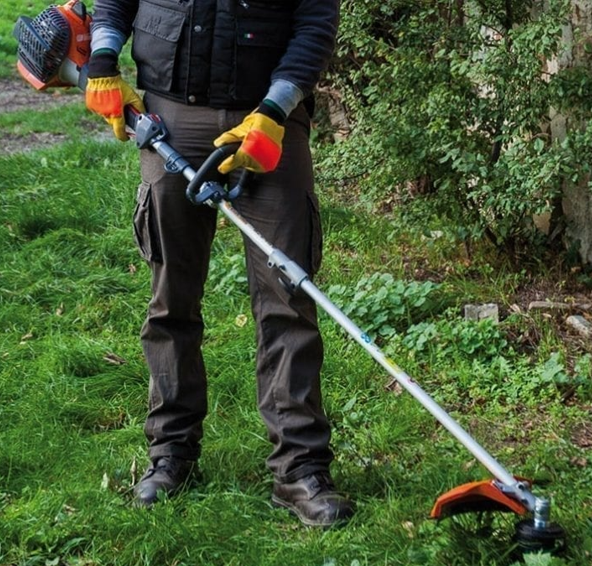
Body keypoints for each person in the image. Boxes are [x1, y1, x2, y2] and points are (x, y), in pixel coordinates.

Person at [85, 0, 353, 527]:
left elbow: (315, 24)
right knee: (171, 297)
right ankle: (171, 454)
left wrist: (276, 110)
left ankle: (299, 470)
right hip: (170, 114)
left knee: (287, 300)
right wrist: (101, 62)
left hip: (270, 121)